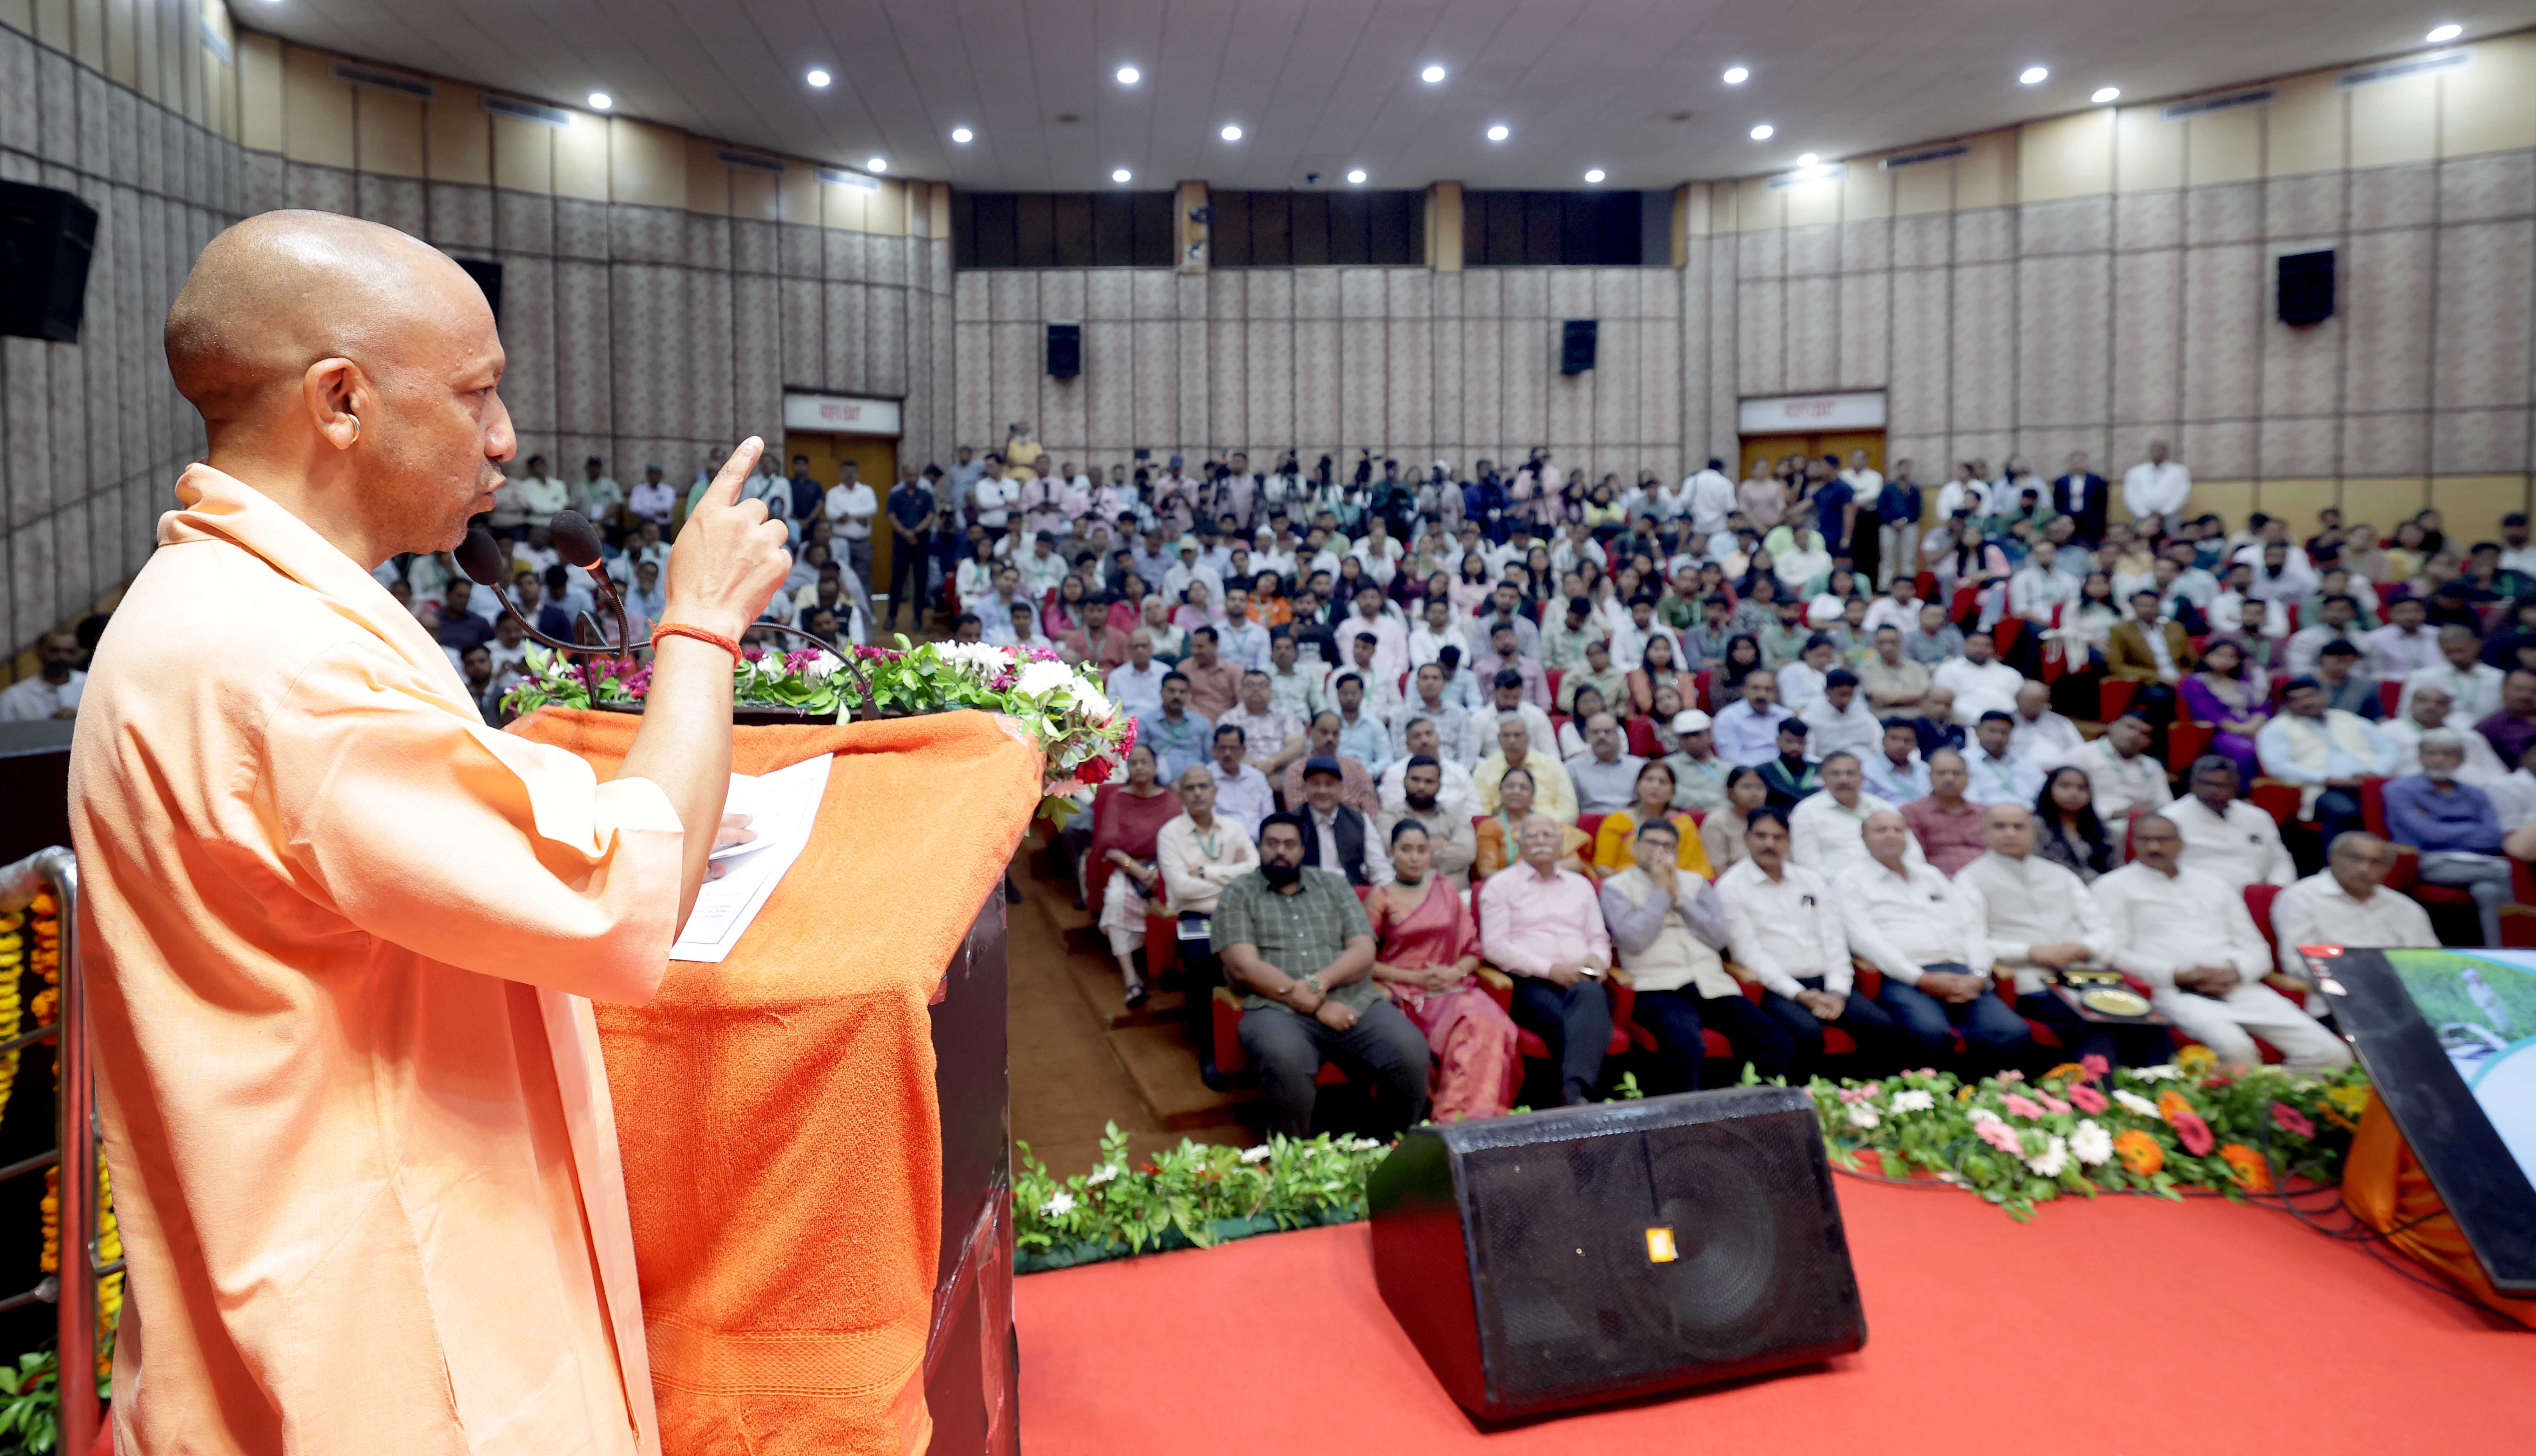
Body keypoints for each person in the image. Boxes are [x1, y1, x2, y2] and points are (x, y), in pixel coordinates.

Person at [77, 212, 798, 1453]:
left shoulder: (234, 603)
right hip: (385, 1336)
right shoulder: (278, 658)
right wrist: (701, 623)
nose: (505, 440)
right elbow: (634, 890)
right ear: (341, 401)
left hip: (304, 1254)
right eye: (477, 394)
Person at [1216, 814, 1432, 1139]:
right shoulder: (1238, 893)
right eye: (1272, 844)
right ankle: (1294, 1167)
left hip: (1352, 999)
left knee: (1410, 1052)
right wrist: (1313, 1004)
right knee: (1285, 1059)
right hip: (1276, 1007)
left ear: (1303, 850)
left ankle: (1390, 1151)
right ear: (1259, 848)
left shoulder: (1333, 885)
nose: (1281, 851)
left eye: (1290, 845)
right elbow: (1243, 966)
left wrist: (1320, 985)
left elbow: (1363, 951)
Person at [2096, 816, 2352, 1072]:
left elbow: (2257, 949)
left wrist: (2236, 972)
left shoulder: (2213, 884)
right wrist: (2177, 975)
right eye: (2145, 840)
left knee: (2332, 1054)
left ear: (2182, 843)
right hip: (2172, 991)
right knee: (2236, 1050)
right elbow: (2112, 952)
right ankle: (2249, 1104)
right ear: (2133, 843)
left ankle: (2279, 1103)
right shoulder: (2112, 887)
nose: (2155, 847)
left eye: (2163, 839)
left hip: (2239, 987)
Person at [1958, 804, 2170, 1070]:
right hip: (2034, 983)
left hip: (2088, 975)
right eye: (2000, 827)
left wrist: (2084, 948)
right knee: (2097, 1025)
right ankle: (2103, 1104)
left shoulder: (2060, 875)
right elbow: (1972, 939)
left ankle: (2166, 1102)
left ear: (2033, 832)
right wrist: (2031, 952)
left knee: (2150, 1023)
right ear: (1984, 832)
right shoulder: (1971, 879)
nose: (2010, 834)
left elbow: (2104, 931)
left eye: (2018, 827)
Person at [1601, 817, 1794, 1088]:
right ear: (1635, 848)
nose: (1660, 852)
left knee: (1774, 1040)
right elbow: (1634, 940)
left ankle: (1746, 1109)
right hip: (1657, 986)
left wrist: (1680, 898)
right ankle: (1685, 1122)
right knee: (1684, 1043)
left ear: (1678, 854)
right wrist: (1661, 891)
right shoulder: (1615, 887)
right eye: (1653, 844)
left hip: (1711, 984)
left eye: (1669, 847)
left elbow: (1718, 939)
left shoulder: (1697, 884)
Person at [1716, 808, 1905, 1079]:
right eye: (1761, 836)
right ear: (1747, 839)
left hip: (1827, 982)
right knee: (1807, 1034)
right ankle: (1805, 1111)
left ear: (1789, 843)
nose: (1770, 844)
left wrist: (1838, 991)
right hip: (1777, 988)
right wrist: (1799, 994)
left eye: (1778, 837)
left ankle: (1866, 1103)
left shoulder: (1810, 881)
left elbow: (1834, 939)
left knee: (1881, 1027)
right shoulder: (1731, 887)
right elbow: (1748, 954)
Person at [1839, 811, 2032, 1076]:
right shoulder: (1850, 882)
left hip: (1963, 974)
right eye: (1881, 830)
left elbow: (1972, 928)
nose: (1892, 836)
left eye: (1898, 830)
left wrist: (1978, 974)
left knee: (2012, 1030)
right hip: (1906, 979)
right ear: (1863, 838)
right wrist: (1923, 979)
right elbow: (1867, 942)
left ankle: (1989, 1101)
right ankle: (1938, 1105)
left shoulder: (1930, 875)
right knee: (1930, 1033)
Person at [1363, 821, 1519, 1122]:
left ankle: (1477, 1121)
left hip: (1453, 987)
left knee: (1490, 1023)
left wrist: (1455, 973)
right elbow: (1363, 962)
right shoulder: (1381, 896)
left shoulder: (1446, 890)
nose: (1414, 858)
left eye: (1422, 850)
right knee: (1463, 1032)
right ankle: (1453, 1122)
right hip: (1405, 993)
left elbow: (1474, 951)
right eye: (1406, 850)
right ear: (1391, 853)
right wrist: (1416, 979)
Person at [1478, 814, 1617, 1105]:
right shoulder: (1500, 885)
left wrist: (1598, 960)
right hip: (1532, 982)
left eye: (1548, 834)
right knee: (1570, 1023)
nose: (1541, 840)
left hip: (1584, 978)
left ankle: (1572, 1095)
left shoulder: (1581, 885)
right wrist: (1551, 970)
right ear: (1519, 845)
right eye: (1532, 835)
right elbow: (1495, 946)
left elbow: (1599, 939)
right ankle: (1583, 1096)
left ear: (1562, 844)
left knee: (1590, 994)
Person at [2382, 730, 2516, 944]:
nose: (2439, 760)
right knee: (2507, 871)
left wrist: (2442, 829)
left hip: (2480, 862)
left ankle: (2500, 951)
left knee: (2489, 891)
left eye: (2447, 754)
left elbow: (2494, 836)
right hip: (2427, 861)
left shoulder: (2476, 794)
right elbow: (2428, 835)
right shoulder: (2400, 790)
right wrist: (2471, 828)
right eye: (2432, 753)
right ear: (2420, 757)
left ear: (2461, 759)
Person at [2257, 675, 2398, 852]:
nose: (2306, 703)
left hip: (2369, 783)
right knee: (2345, 811)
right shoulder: (2276, 729)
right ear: (2287, 705)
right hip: (2321, 789)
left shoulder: (2347, 719)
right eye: (2296, 700)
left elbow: (2389, 749)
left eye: (2310, 696)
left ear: (2324, 696)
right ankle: (2338, 868)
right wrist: (2327, 779)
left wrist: (2373, 773)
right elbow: (2278, 766)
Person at [1089, 743, 1179, 1005]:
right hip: (1128, 868)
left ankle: (1166, 968)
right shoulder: (1119, 798)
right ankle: (1131, 979)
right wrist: (1140, 872)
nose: (1139, 768)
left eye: (1145, 762)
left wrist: (1160, 872)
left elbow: (1180, 841)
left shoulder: (1171, 800)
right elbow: (1110, 849)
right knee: (1116, 901)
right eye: (1134, 763)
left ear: (1155, 767)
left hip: (1166, 868)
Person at [2160, 756, 2295, 891]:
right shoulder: (2169, 819)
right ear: (2193, 784)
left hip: (2258, 896)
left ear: (2235, 786)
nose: (2213, 791)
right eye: (2206, 784)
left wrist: (2275, 889)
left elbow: (2280, 861)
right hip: (2199, 897)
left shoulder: (2257, 817)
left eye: (2221, 786)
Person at [1785, 750, 1913, 875]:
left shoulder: (1883, 808)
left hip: (1889, 882)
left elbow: (1912, 853)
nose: (1844, 780)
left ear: (1863, 777)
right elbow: (1808, 866)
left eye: (1850, 773)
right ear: (1823, 778)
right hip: (1836, 889)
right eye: (1835, 774)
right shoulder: (1807, 812)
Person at [1591, 760, 1719, 879]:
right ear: (1638, 786)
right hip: (1627, 888)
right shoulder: (1617, 821)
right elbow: (1603, 867)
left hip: (1674, 887)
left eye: (1663, 782)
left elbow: (1694, 870)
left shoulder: (1683, 824)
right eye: (1649, 780)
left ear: (1673, 792)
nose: (1655, 786)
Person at [1378, 754, 1480, 888]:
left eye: (1429, 782)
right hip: (1407, 894)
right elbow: (1392, 853)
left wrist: (1413, 857)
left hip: (1455, 895)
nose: (1421, 786)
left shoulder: (1457, 816)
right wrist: (1443, 843)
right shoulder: (1389, 815)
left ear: (1440, 785)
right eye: (1415, 780)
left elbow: (1466, 853)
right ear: (1404, 781)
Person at [1473, 766, 1593, 876]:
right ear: (1501, 791)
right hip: (1509, 888)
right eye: (1511, 786)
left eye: (1524, 788)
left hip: (1549, 884)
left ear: (1533, 795)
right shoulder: (1489, 827)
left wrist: (1538, 873)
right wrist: (1521, 878)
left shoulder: (1547, 825)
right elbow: (1486, 871)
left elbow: (1575, 864)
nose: (1517, 791)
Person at [2181, 638, 2268, 787]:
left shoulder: (2243, 683)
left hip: (2252, 728)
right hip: (2220, 731)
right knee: (2246, 749)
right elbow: (2207, 712)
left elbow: (2261, 707)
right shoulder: (2196, 682)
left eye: (2232, 657)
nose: (2225, 660)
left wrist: (2254, 725)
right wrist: (2241, 729)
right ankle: (2244, 793)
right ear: (2206, 656)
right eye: (2220, 655)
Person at [1902, 747, 1989, 876]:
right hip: (1939, 883)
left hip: (1987, 880)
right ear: (1930, 777)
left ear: (1968, 778)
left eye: (1956, 773)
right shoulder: (1912, 813)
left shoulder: (1985, 814)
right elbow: (1913, 859)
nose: (1949, 779)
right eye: (1942, 773)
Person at [1475, 716, 1578, 824]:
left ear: (1529, 739)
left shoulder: (1553, 766)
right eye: (1506, 736)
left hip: (1549, 831)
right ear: (1499, 739)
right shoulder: (1484, 769)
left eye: (1517, 735)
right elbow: (1481, 811)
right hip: (1501, 833)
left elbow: (1569, 811)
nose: (1512, 740)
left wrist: (1541, 828)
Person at [2401, 624, 2506, 721]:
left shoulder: (2499, 678)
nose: (2456, 657)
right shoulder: (2423, 677)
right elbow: (2406, 714)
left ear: (2476, 646)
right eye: (2449, 652)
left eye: (2461, 651)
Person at [2033, 764, 2119, 881]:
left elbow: (2116, 871)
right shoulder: (2035, 827)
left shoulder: (2105, 831)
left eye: (2082, 788)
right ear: (2049, 789)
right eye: (2065, 786)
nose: (2074, 794)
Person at [1930, 628, 2024, 724]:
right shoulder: (1947, 670)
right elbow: (1941, 702)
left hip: (2006, 726)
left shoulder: (2010, 674)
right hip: (1964, 726)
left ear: (1993, 649)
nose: (1980, 650)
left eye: (1986, 646)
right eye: (1975, 645)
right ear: (1965, 645)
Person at [883, 465, 938, 630]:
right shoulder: (896, 495)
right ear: (904, 476)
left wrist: (914, 532)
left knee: (921, 582)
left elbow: (930, 516)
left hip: (921, 542)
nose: (912, 478)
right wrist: (906, 533)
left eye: (916, 475)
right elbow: (891, 516)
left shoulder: (926, 495)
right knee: (897, 581)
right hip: (901, 543)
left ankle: (918, 619)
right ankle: (891, 617)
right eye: (909, 475)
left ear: (919, 476)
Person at [2107, 588, 2196, 685]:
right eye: (2142, 606)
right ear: (2133, 607)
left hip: (2179, 676)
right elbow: (2116, 666)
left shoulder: (2175, 628)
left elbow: (2191, 659)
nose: (2148, 610)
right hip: (2149, 681)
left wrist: (2186, 675)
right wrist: (2157, 678)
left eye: (2152, 605)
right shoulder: (2121, 631)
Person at [1564, 711, 1646, 815]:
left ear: (1618, 735)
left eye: (1607, 732)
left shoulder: (1638, 766)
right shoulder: (1572, 768)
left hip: (1632, 824)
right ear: (1587, 736)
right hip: (1591, 825)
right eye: (1595, 732)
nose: (1601, 736)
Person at [1962, 710, 2048, 807]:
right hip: (1986, 816)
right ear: (1977, 731)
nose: (1998, 737)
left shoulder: (2025, 763)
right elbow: (1970, 800)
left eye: (2004, 733)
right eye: (1992, 731)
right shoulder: (1964, 761)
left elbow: (2044, 792)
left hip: (2028, 815)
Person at [1711, 669, 1795, 767]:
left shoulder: (1786, 716)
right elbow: (1731, 758)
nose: (1762, 695)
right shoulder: (1728, 718)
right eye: (1756, 688)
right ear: (1744, 690)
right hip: (1748, 775)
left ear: (1776, 693)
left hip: (1785, 771)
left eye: (1768, 689)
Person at [1207, 723, 1275, 838]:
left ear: (1243, 750)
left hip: (1258, 843)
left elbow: (1269, 817)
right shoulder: (1206, 778)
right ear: (1214, 750)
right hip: (1221, 843)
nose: (1227, 754)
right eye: (1222, 748)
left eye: (1233, 748)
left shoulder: (1257, 777)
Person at [0, 630, 84, 720]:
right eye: (55, 651)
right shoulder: (14, 698)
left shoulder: (94, 687)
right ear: (39, 652)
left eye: (69, 652)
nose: (62, 657)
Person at [1662, 709, 1733, 812]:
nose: (1692, 740)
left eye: (1697, 734)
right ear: (1678, 738)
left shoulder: (1728, 768)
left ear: (1710, 734)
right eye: (1686, 736)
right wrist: (1718, 800)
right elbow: (1672, 795)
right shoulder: (1668, 765)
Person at [1861, 718, 1931, 805]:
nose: (1901, 745)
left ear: (1915, 744)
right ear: (1883, 741)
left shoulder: (1925, 770)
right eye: (1895, 739)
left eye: (1907, 740)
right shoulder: (1867, 771)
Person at [2121, 439, 2191, 524]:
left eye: (2162, 450)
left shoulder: (2179, 471)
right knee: (2140, 533)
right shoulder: (2135, 472)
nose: (2158, 453)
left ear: (2167, 453)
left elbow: (2182, 494)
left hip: (2170, 515)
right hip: (2142, 515)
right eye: (2156, 450)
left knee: (2175, 534)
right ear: (2150, 452)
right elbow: (2130, 496)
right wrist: (2145, 514)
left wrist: (2164, 512)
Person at [1757, 719, 1822, 808]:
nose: (1795, 747)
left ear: (1806, 743)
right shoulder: (1763, 771)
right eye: (1789, 741)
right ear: (1778, 741)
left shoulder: (1820, 770)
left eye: (1800, 742)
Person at [1106, 628, 1169, 718]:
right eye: (1136, 647)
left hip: (1160, 725)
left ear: (1152, 648)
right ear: (1128, 650)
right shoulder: (1116, 676)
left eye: (1144, 646)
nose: (1140, 651)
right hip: (1128, 725)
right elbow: (1114, 711)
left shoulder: (1165, 672)